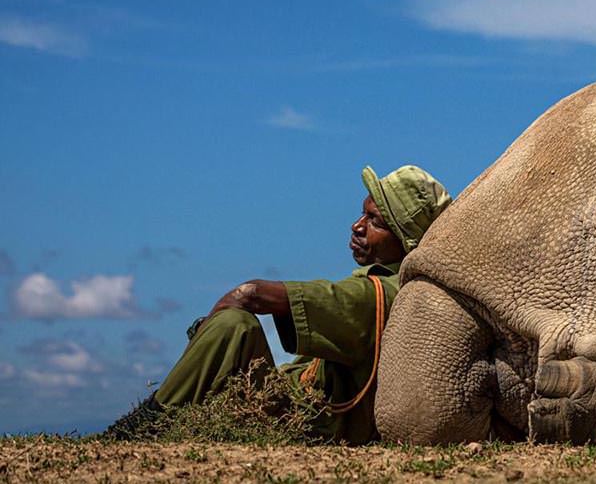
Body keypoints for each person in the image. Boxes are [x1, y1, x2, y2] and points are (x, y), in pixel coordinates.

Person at [105, 165, 452, 444]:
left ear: (404, 240)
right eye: (362, 214)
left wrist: (213, 331)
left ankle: (141, 428)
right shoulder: (397, 290)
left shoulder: (380, 294)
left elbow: (252, 294)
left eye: (375, 221)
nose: (357, 226)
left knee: (234, 326)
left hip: (306, 422)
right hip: (295, 406)